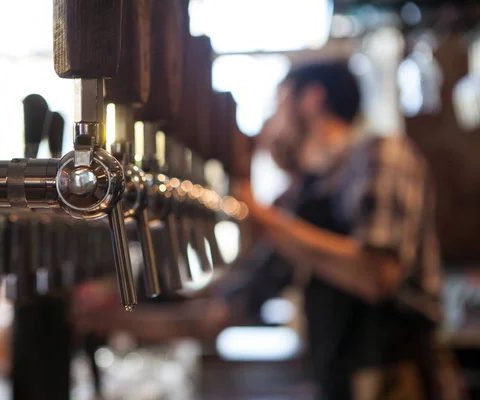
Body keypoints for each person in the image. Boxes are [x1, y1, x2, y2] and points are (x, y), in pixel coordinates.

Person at [75, 61, 453, 400]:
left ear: (313, 100)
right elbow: (223, 312)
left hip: (401, 380)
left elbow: (376, 275)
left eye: (278, 105)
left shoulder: (381, 154)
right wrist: (114, 318)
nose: (270, 123)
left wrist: (258, 210)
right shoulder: (304, 196)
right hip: (339, 381)